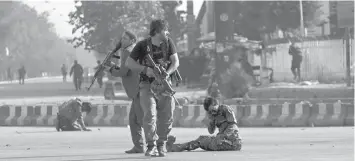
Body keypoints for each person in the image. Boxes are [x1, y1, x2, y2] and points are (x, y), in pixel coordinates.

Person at [125, 19, 180, 157]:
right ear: (156, 31)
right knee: (149, 115)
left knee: (167, 116)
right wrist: (145, 70)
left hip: (165, 86)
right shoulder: (142, 45)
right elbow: (129, 63)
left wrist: (168, 73)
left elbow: (175, 62)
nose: (167, 32)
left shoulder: (168, 43)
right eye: (164, 30)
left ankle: (161, 144)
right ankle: (151, 145)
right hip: (147, 85)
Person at [105, 30, 145, 153]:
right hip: (138, 90)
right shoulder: (133, 50)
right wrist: (113, 67)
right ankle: (139, 146)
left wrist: (110, 69)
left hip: (137, 90)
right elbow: (126, 70)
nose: (122, 41)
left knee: (143, 120)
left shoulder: (127, 51)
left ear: (132, 41)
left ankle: (159, 143)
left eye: (125, 39)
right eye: (122, 38)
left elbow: (123, 72)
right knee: (134, 120)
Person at [166, 97, 242, 152]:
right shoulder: (212, 115)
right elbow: (211, 131)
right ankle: (176, 147)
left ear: (215, 104)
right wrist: (209, 122)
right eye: (210, 111)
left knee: (201, 140)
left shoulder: (225, 109)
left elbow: (233, 125)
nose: (212, 112)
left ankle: (176, 147)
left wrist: (223, 136)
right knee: (201, 139)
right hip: (222, 141)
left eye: (212, 110)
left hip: (232, 142)